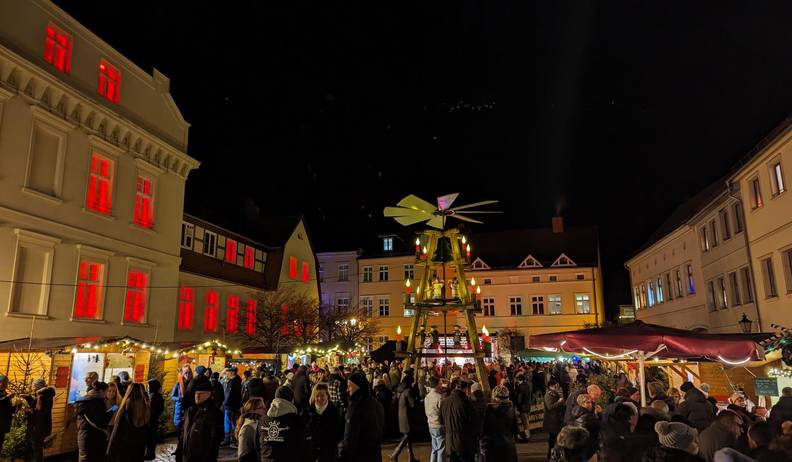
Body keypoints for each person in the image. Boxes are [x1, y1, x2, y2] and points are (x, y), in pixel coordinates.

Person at [339, 372, 385, 462]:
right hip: (375, 455)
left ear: (358, 386)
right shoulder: (377, 404)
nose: (347, 390)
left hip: (359, 456)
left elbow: (350, 438)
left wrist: (343, 456)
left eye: (349, 386)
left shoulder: (355, 408)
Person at [181, 381, 224, 462]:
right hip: (188, 455)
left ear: (208, 394)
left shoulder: (214, 412)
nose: (197, 396)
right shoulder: (192, 409)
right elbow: (185, 431)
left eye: (200, 394)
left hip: (203, 456)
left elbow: (215, 438)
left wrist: (209, 456)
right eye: (196, 394)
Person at [260, 386, 304, 462]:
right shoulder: (296, 420)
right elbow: (303, 445)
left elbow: (257, 443)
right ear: (292, 400)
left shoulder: (263, 419)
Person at [107, 383, 150, 462]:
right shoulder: (145, 406)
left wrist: (110, 451)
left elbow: (117, 429)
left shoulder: (126, 405)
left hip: (125, 446)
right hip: (140, 446)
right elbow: (149, 429)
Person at [440, 378, 476, 462]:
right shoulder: (466, 402)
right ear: (465, 389)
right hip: (463, 442)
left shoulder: (444, 401)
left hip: (449, 441)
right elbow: (473, 420)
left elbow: (441, 421)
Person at [76, 382, 113, 462]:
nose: (107, 394)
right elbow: (101, 421)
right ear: (101, 391)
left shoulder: (85, 400)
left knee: (85, 457)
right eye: (106, 391)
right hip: (94, 436)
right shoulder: (97, 402)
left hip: (84, 434)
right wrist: (112, 410)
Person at [482, 385, 518, 462]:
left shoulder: (489, 411)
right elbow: (516, 429)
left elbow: (484, 430)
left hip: (494, 447)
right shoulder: (511, 410)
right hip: (509, 446)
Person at [307, 383, 342, 462]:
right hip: (312, 453)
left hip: (329, 453)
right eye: (317, 396)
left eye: (322, 395)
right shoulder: (307, 412)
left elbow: (339, 432)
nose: (319, 398)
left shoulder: (335, 412)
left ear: (327, 396)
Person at [389, 375, 419, 462]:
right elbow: (412, 404)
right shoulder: (408, 391)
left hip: (401, 416)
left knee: (408, 438)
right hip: (407, 417)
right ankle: (395, 454)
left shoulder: (400, 391)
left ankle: (411, 457)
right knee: (407, 436)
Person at [25, 378, 55, 462]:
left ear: (37, 387)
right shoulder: (47, 395)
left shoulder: (41, 396)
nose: (32, 388)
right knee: (38, 447)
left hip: (38, 427)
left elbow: (38, 411)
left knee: (37, 448)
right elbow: (40, 408)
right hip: (43, 426)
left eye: (33, 386)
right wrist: (28, 398)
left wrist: (27, 410)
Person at [235, 397, 265, 462]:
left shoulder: (258, 423)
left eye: (264, 407)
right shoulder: (247, 428)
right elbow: (243, 454)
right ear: (252, 410)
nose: (264, 409)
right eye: (260, 408)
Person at [572, 394, 600, 461]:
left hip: (583, 448)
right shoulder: (588, 417)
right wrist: (598, 415)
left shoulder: (578, 412)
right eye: (587, 402)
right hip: (589, 448)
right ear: (582, 404)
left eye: (590, 402)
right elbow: (600, 426)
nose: (590, 404)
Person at [424, 376, 445, 462]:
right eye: (440, 383)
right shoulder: (439, 397)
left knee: (434, 448)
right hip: (438, 424)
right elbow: (442, 412)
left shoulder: (427, 397)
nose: (441, 385)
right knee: (441, 449)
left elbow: (426, 410)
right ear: (436, 385)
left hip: (430, 424)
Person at [544, 379, 566, 459]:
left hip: (556, 420)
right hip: (552, 420)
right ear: (551, 386)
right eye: (556, 386)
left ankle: (554, 456)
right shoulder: (548, 395)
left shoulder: (555, 393)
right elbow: (550, 407)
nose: (558, 387)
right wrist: (559, 402)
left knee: (556, 439)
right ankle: (550, 457)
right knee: (552, 440)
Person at [145, 379, 165, 460]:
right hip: (154, 420)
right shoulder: (158, 396)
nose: (147, 388)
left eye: (149, 386)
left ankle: (149, 454)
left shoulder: (153, 396)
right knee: (151, 438)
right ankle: (150, 453)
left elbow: (152, 410)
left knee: (150, 438)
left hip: (151, 421)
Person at [223, 367, 243, 445]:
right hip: (235, 405)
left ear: (231, 373)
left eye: (227, 373)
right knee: (234, 422)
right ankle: (234, 438)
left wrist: (225, 403)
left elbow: (229, 394)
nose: (226, 374)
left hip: (230, 405)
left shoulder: (232, 382)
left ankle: (228, 438)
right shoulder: (238, 380)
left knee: (228, 422)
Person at [515, 373, 533, 441]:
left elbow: (520, 398)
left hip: (523, 407)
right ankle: (528, 434)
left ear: (519, 379)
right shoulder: (527, 385)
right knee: (527, 421)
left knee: (525, 422)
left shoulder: (520, 387)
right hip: (528, 405)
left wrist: (518, 405)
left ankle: (527, 436)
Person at [0, 375, 13, 451]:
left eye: (6, 383)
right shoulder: (6, 396)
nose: (5, 385)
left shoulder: (5, 393)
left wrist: (17, 406)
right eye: (3, 383)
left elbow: (9, 410)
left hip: (3, 425)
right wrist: (8, 397)